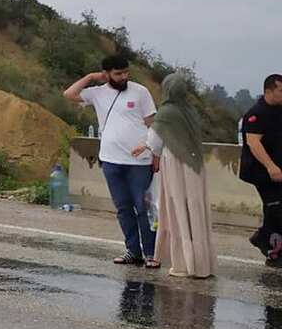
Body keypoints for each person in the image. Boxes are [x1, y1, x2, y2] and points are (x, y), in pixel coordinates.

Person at [64, 55, 158, 267]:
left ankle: (151, 253)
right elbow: (69, 94)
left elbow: (153, 124)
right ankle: (133, 251)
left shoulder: (140, 92)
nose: (123, 77)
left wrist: (154, 151)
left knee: (143, 209)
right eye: (118, 74)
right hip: (111, 160)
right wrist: (90, 77)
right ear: (106, 74)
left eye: (126, 72)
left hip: (139, 162)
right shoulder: (97, 93)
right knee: (123, 208)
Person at [132, 74, 216, 278]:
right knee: (195, 209)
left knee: (178, 208)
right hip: (195, 165)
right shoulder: (190, 111)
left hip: (176, 164)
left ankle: (184, 264)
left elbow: (156, 141)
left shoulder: (166, 112)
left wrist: (146, 148)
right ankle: (202, 263)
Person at [240, 74, 282, 267]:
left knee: (275, 210)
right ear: (268, 91)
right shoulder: (256, 113)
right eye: (281, 91)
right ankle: (273, 251)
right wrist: (270, 166)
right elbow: (254, 143)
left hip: (278, 169)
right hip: (262, 171)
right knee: (276, 209)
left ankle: (264, 238)